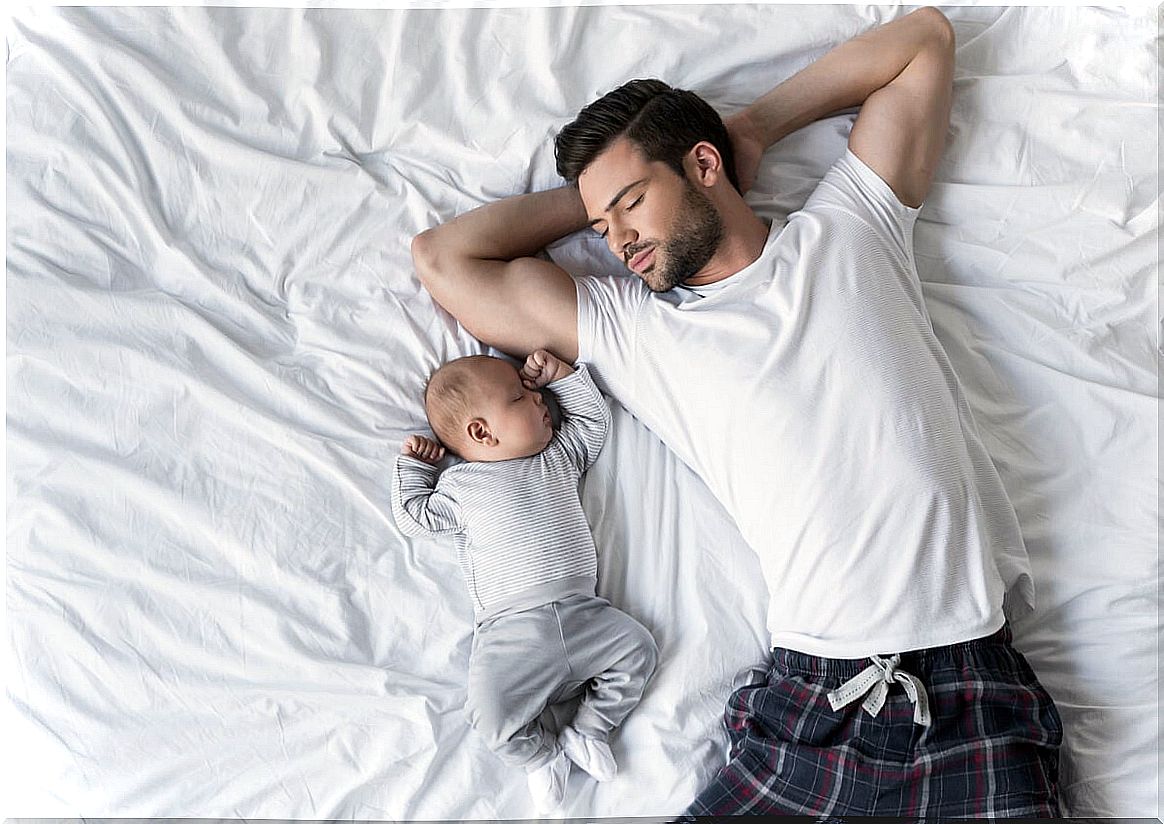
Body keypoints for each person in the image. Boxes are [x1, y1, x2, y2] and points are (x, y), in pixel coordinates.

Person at [409, 7, 1062, 816]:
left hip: (969, 693)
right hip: (813, 703)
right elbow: (444, 258)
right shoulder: (633, 326)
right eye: (602, 225)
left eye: (632, 204)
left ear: (704, 164)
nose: (617, 239)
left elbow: (924, 41)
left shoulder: (852, 228)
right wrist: (600, 197)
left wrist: (754, 126)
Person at [391, 348, 658, 814]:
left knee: (638, 649)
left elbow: (594, 424)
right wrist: (415, 468)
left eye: (535, 393)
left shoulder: (555, 457)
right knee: (489, 713)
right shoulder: (460, 487)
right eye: (521, 397)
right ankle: (540, 756)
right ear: (481, 432)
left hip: (584, 613)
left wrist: (564, 378)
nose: (539, 400)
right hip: (511, 631)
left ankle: (589, 729)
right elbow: (415, 517)